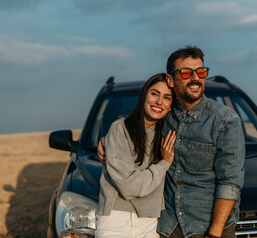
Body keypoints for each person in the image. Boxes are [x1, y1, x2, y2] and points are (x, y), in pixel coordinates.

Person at [98, 46, 245, 238]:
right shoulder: (164, 114)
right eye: (186, 72)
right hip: (168, 227)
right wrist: (107, 142)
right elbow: (136, 130)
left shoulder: (225, 120)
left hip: (207, 227)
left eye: (201, 72)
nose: (195, 78)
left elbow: (230, 181)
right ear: (170, 79)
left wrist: (215, 232)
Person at [95, 73, 177, 238]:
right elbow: (129, 186)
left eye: (167, 97)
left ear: (170, 106)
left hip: (149, 223)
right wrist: (164, 164)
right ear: (144, 95)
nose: (159, 102)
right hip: (116, 220)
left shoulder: (167, 136)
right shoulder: (120, 129)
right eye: (154, 93)